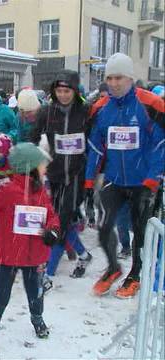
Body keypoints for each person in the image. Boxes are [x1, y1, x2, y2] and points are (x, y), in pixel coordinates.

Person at [85, 53, 165, 298]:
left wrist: (153, 178)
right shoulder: (101, 109)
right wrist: (89, 178)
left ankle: (135, 274)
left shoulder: (151, 105)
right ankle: (112, 268)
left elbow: (160, 145)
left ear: (130, 78)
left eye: (118, 77)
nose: (113, 83)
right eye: (109, 78)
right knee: (104, 226)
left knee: (139, 232)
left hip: (143, 181)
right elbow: (95, 146)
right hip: (114, 179)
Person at [0, 143, 59, 359]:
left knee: (36, 292)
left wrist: (52, 230)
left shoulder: (42, 193)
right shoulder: (8, 191)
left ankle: (37, 319)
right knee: (1, 295)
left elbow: (51, 216)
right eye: (42, 165)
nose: (45, 169)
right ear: (30, 167)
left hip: (35, 255)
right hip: (9, 255)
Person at [30, 70, 93, 289]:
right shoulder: (47, 113)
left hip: (77, 175)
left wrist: (94, 174)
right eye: (59, 91)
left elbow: (96, 143)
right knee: (59, 220)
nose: (63, 95)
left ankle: (48, 271)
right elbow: (32, 138)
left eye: (67, 91)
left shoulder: (86, 112)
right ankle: (83, 254)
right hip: (55, 173)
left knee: (62, 221)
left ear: (75, 91)